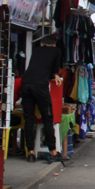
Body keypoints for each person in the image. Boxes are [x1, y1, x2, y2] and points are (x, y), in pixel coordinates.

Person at [21, 33, 67, 164]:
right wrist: (56, 74)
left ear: (42, 44)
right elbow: (55, 67)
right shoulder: (56, 50)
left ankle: (30, 152)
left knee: (29, 119)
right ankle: (52, 151)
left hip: (26, 84)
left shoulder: (36, 50)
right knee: (47, 117)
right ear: (53, 44)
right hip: (40, 86)